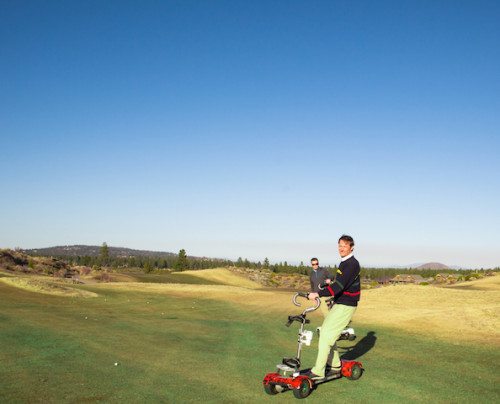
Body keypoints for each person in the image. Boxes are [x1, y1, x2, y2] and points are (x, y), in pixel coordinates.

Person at [305, 235, 361, 380]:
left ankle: (318, 371)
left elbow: (340, 286)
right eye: (339, 245)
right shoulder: (345, 263)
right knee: (326, 332)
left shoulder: (351, 264)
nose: (341, 248)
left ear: (351, 247)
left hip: (346, 305)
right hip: (341, 303)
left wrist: (318, 293)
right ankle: (335, 364)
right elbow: (341, 283)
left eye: (344, 245)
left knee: (325, 336)